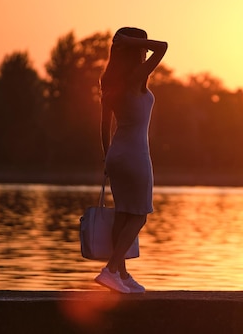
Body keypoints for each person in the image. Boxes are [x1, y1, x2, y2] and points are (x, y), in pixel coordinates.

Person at [94, 27, 167, 293]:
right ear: (134, 50)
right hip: (136, 155)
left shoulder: (110, 81)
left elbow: (104, 126)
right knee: (139, 216)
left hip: (116, 154)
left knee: (123, 214)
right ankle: (111, 269)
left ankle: (121, 275)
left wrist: (106, 158)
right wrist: (129, 42)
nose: (146, 51)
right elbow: (164, 46)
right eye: (142, 49)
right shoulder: (135, 78)